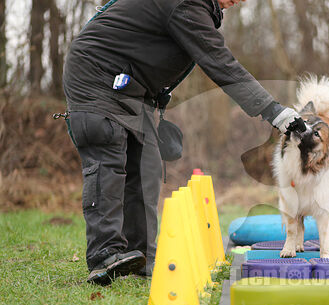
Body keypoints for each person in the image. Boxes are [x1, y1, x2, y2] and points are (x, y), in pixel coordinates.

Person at [63, 0, 304, 285]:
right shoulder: (185, 3)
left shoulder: (198, 8)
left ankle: (141, 255)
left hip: (130, 88)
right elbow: (219, 63)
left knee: (147, 167)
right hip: (95, 80)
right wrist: (273, 111)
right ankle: (104, 254)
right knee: (109, 160)